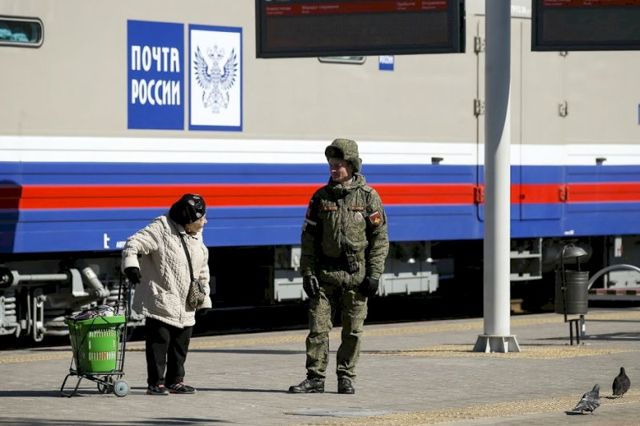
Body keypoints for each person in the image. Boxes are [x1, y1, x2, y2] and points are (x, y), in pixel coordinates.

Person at [289, 138, 389, 395]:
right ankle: (315, 378)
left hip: (357, 276)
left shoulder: (368, 197)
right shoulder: (320, 197)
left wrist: (374, 274)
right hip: (325, 275)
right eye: (331, 165)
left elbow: (379, 238)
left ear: (352, 166)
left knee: (353, 331)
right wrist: (307, 272)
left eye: (339, 165)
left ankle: (346, 376)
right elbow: (308, 238)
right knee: (318, 330)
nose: (334, 169)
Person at [122, 193, 211, 396]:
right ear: (187, 220)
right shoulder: (161, 227)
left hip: (186, 302)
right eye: (201, 218)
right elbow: (133, 244)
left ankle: (175, 381)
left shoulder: (196, 233)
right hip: (161, 299)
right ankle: (156, 383)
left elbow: (202, 267)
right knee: (159, 344)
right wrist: (131, 266)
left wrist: (204, 299)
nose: (205, 222)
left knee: (180, 345)